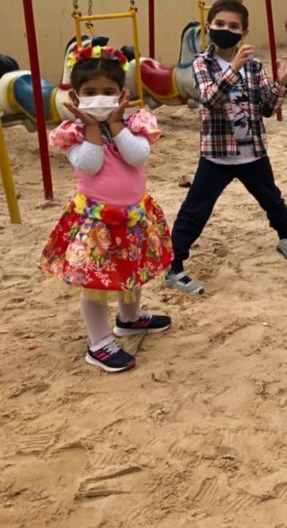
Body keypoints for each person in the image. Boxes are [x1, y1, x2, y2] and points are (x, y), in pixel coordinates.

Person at [41, 46, 173, 372]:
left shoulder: (134, 124)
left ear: (121, 94)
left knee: (133, 271)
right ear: (76, 96)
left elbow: (137, 156)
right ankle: (98, 342)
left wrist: (115, 124)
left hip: (133, 216)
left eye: (108, 92)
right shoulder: (72, 133)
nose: (99, 97)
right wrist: (91, 128)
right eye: (90, 92)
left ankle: (129, 319)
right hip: (96, 222)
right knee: (96, 284)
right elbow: (90, 164)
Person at [167, 0, 287, 294]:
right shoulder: (202, 63)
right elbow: (210, 99)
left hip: (252, 151)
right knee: (195, 210)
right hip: (217, 155)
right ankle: (174, 266)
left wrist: (281, 82)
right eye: (220, 24)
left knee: (271, 198)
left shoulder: (253, 66)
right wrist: (233, 69)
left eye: (233, 26)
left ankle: (285, 235)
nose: (226, 29)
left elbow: (267, 107)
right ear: (208, 27)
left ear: (244, 32)